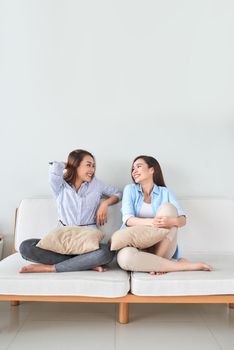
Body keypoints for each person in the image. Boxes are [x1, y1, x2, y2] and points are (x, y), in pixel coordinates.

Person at [19, 149, 122, 273]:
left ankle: (52, 268)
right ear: (75, 165)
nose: (92, 170)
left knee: (106, 253)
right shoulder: (60, 185)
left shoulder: (97, 184)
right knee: (25, 246)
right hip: (64, 237)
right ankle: (84, 263)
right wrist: (68, 165)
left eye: (94, 166)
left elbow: (118, 193)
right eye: (88, 165)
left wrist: (104, 204)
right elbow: (54, 170)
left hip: (87, 238)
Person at [117, 155, 212, 274]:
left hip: (161, 246)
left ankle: (156, 262)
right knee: (125, 259)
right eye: (132, 169)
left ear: (151, 170)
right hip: (136, 245)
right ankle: (182, 266)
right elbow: (127, 219)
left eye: (138, 166)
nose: (134, 171)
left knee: (168, 209)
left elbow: (182, 219)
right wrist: (152, 222)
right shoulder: (130, 189)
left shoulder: (164, 192)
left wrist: (171, 222)